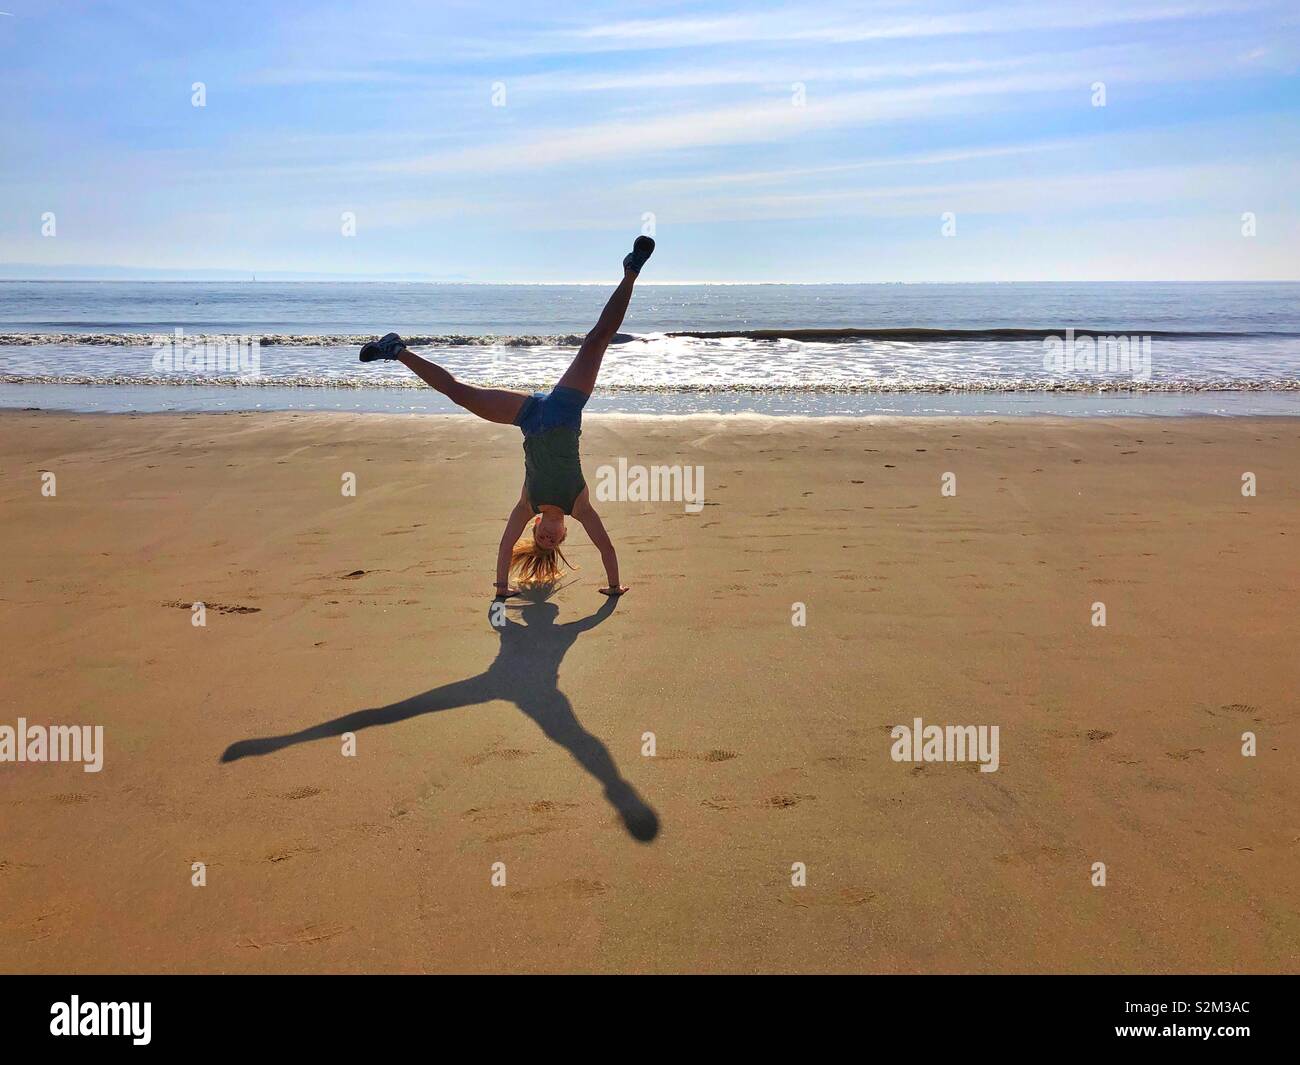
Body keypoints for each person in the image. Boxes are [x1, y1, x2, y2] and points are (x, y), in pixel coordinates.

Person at [359, 235, 655, 598]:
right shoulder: (580, 506)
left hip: (529, 417)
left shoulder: (525, 505)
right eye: (553, 541)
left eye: (541, 540)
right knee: (596, 341)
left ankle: (395, 349)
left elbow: (503, 547)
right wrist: (614, 587)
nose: (547, 538)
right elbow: (606, 548)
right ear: (564, 534)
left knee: (460, 394)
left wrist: (502, 591)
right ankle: (631, 272)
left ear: (534, 529)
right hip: (565, 409)